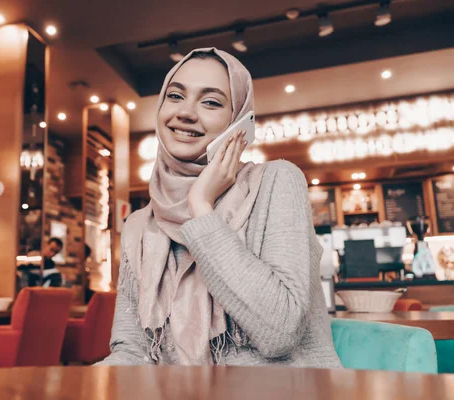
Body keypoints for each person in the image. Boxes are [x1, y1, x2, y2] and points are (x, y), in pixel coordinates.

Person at [97, 48, 342, 367]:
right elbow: (131, 350)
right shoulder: (139, 225)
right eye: (175, 96)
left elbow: (279, 332)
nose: (185, 113)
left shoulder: (277, 181)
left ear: (239, 120)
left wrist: (201, 207)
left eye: (210, 102)